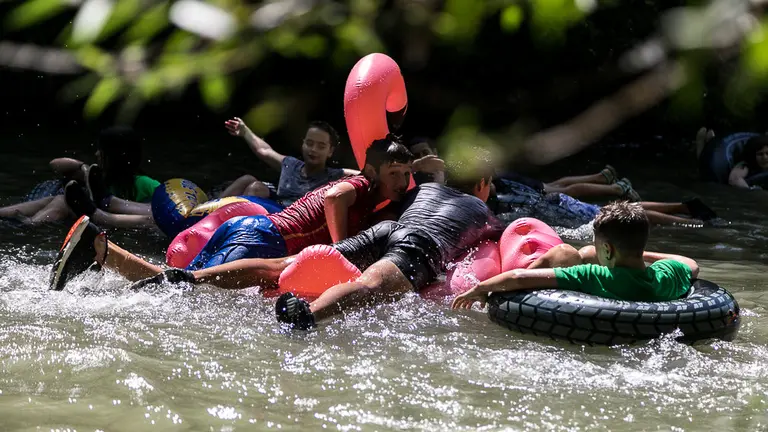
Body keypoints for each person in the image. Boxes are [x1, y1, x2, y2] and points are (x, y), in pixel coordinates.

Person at [48, 138, 415, 291]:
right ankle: (100, 248)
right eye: (394, 174)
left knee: (179, 284)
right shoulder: (360, 185)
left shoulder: (366, 187)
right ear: (374, 171)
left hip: (250, 229)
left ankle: (101, 249)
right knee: (186, 291)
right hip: (266, 239)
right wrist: (340, 250)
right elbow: (334, 198)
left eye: (406, 174)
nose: (401, 182)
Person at [273, 149, 507, 329]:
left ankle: (249, 275)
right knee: (370, 287)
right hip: (419, 246)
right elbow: (505, 238)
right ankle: (307, 314)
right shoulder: (482, 211)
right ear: (482, 182)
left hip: (386, 230)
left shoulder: (423, 189)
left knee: (286, 263)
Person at [451, 201, 698, 310]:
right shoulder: (667, 276)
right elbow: (691, 264)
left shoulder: (593, 276)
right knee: (580, 253)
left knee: (565, 254)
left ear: (608, 250)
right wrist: (642, 254)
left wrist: (481, 288)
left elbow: (518, 278)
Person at [0, 127, 161, 226]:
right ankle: (8, 215)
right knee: (59, 198)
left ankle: (30, 225)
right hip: (89, 216)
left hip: (104, 220)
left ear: (114, 156)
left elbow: (166, 206)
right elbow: (55, 164)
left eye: (101, 151)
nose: (96, 154)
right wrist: (84, 169)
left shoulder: (144, 183)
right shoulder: (95, 176)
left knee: (61, 201)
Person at [408, 136, 640, 201]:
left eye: (425, 152)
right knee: (554, 185)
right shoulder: (423, 174)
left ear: (434, 150)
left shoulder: (442, 166)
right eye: (417, 155)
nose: (422, 157)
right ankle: (601, 177)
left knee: (557, 191)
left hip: (506, 182)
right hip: (504, 178)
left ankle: (615, 189)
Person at [220, 118, 359, 206]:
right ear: (303, 144)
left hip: (292, 223)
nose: (313, 150)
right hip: (273, 210)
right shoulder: (290, 165)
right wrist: (245, 132)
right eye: (309, 143)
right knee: (250, 182)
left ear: (330, 151)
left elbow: (363, 175)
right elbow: (264, 150)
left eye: (321, 146)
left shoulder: (334, 175)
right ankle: (211, 212)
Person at [491, 176, 718, 227]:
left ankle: (691, 222)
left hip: (558, 208)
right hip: (558, 203)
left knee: (618, 214)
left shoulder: (502, 190)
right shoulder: (504, 184)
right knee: (612, 210)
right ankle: (684, 207)